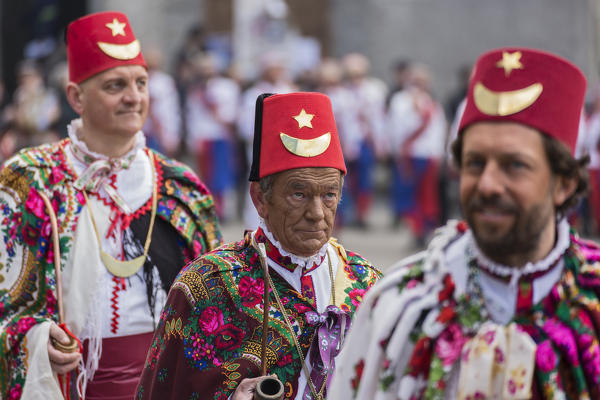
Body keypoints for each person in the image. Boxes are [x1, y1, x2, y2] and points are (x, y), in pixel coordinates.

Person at [329, 47, 600, 399]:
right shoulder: (402, 305)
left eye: (514, 165)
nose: (487, 184)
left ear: (564, 182)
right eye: (474, 163)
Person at [0, 11, 222, 400]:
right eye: (115, 85)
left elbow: (214, 310)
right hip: (66, 384)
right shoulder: (28, 179)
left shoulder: (181, 188)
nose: (133, 97)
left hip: (161, 385)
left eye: (141, 83)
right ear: (75, 97)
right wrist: (33, 337)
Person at [136, 92, 381, 399]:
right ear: (260, 199)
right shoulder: (207, 285)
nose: (317, 214)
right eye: (299, 194)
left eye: (329, 195)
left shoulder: (369, 286)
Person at [386, 64, 447, 241]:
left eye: (423, 81)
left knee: (427, 195)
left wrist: (439, 154)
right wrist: (396, 150)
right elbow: (396, 126)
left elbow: (438, 129)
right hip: (409, 155)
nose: (419, 85)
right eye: (416, 81)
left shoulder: (431, 102)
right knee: (409, 194)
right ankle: (416, 229)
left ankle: (423, 230)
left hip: (428, 155)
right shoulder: (401, 101)